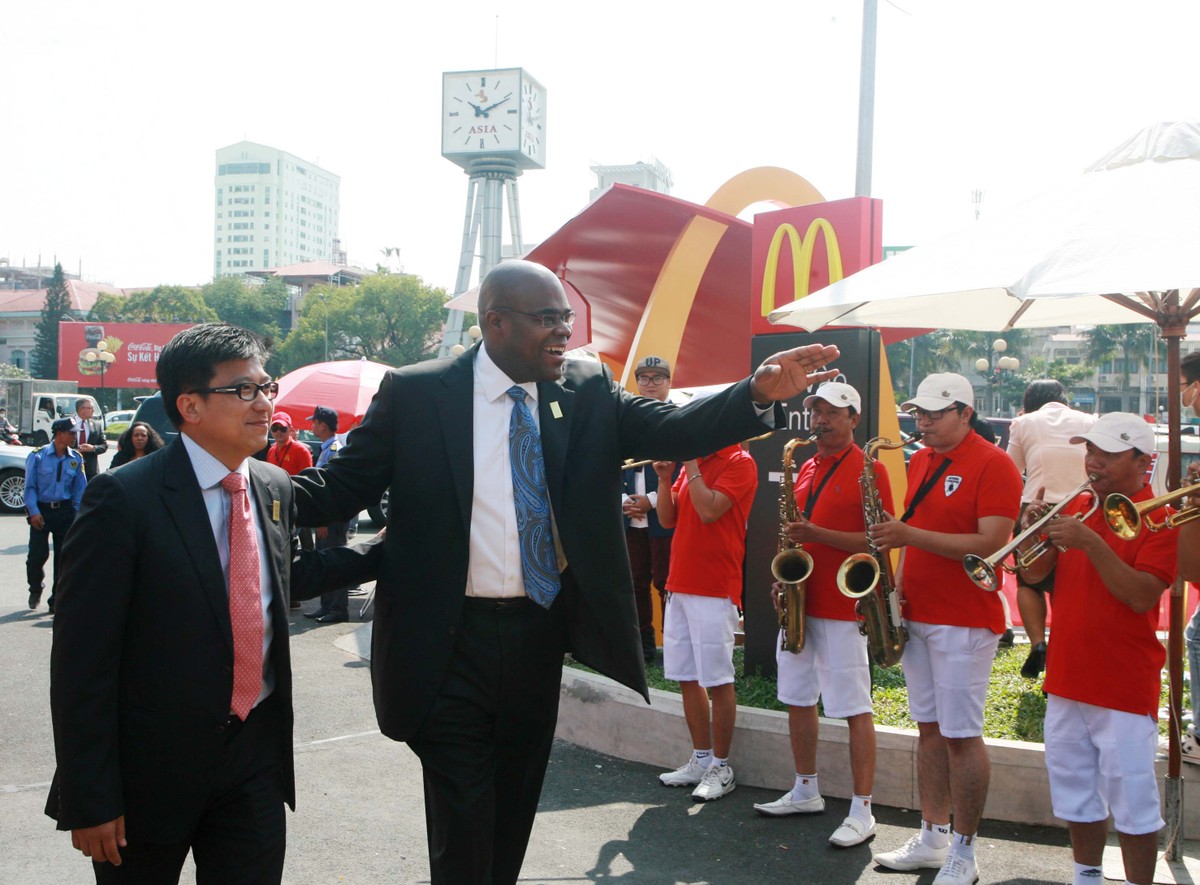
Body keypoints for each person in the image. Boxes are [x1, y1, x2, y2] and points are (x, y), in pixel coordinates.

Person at [288, 259, 841, 885]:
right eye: (547, 319)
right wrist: (249, 486)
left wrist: (756, 393)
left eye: (567, 320)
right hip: (445, 642)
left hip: (536, 636)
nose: (563, 334)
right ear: (494, 323)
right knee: (464, 817)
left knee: (513, 810)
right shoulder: (418, 393)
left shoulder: (585, 389)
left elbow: (676, 428)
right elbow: (338, 488)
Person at [44, 323, 382, 884]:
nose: (265, 403)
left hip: (253, 757)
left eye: (266, 387)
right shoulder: (124, 498)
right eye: (244, 390)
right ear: (190, 405)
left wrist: (383, 553)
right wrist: (91, 796)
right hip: (149, 770)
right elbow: (82, 661)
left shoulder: (271, 484)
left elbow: (276, 579)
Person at [869, 372, 1023, 885]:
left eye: (936, 413)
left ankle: (964, 850)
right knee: (930, 731)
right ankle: (933, 837)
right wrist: (893, 595)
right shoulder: (923, 459)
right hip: (919, 612)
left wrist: (907, 532)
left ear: (966, 413)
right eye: (920, 412)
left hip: (965, 619)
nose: (924, 421)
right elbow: (917, 538)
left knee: (961, 736)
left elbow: (991, 544)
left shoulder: (996, 463)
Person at [1015, 414, 1176, 885]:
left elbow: (1141, 595)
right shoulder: (1082, 502)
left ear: (1142, 462)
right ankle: (1086, 877)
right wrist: (1039, 534)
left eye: (1107, 454)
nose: (1093, 462)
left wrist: (1088, 542)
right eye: (1090, 451)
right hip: (1067, 677)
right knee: (1075, 794)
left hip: (1123, 681)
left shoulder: (1159, 513)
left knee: (1134, 804)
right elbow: (1033, 576)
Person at [751, 382, 891, 848]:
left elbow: (879, 540)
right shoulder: (805, 464)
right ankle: (805, 789)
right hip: (800, 599)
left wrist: (817, 532)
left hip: (842, 602)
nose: (820, 420)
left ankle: (862, 809)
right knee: (796, 697)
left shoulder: (870, 469)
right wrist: (784, 575)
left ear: (854, 418)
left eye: (832, 413)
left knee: (853, 707)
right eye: (815, 412)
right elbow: (794, 533)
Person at [653, 436, 757, 802]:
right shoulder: (690, 466)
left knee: (717, 679)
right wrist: (666, 479)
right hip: (679, 584)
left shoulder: (740, 461)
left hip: (715, 588)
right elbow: (667, 519)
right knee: (686, 676)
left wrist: (692, 465)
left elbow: (710, 510)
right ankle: (700, 758)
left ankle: (721, 766)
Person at [1005, 379, 1097, 679]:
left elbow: (1009, 469)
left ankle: (1038, 644)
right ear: (1065, 399)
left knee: (1028, 581)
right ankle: (1062, 644)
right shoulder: (1089, 420)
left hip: (1036, 508)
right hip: (1082, 509)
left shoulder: (1023, 422)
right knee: (1067, 581)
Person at [622, 355, 677, 662]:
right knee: (634, 582)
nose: (651, 384)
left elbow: (683, 468)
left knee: (667, 583)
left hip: (664, 517)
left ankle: (672, 646)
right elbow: (610, 463)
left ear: (669, 383)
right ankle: (644, 646)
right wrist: (625, 502)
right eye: (644, 378)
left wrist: (652, 501)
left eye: (658, 378)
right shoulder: (625, 419)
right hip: (631, 520)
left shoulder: (678, 417)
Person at [25, 417, 87, 614]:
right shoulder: (38, 456)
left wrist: (78, 515)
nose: (74, 436)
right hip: (42, 511)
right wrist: (34, 512)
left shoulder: (76, 458)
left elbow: (80, 489)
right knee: (36, 557)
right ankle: (35, 588)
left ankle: (56, 599)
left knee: (63, 558)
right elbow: (29, 488)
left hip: (65, 512)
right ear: (59, 433)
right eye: (71, 433)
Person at [305, 405, 351, 624]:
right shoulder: (327, 448)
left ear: (323, 425)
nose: (311, 426)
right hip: (327, 517)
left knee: (334, 561)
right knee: (324, 561)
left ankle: (338, 609)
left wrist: (325, 519)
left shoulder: (333, 449)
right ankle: (326, 606)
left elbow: (333, 490)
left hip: (331, 518)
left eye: (314, 422)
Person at [265, 411, 313, 476]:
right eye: (275, 428)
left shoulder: (301, 451)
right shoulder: (271, 451)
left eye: (283, 428)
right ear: (270, 430)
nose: (278, 432)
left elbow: (308, 478)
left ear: (290, 429)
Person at [73, 398, 108, 480]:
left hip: (91, 471)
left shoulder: (97, 425)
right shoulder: (68, 424)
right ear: (81, 409)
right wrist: (74, 451)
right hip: (71, 468)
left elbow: (104, 445)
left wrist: (93, 448)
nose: (92, 410)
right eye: (90, 408)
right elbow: (57, 444)